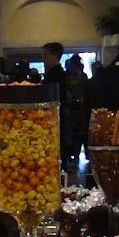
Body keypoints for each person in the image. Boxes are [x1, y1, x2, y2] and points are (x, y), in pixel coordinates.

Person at [42, 42, 72, 171]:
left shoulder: (56, 75)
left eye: (46, 55)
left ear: (55, 56)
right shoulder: (56, 73)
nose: (43, 58)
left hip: (54, 117)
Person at [65, 54, 89, 171]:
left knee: (78, 136)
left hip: (78, 113)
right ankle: (73, 158)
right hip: (71, 112)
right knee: (73, 136)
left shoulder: (83, 81)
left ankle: (75, 158)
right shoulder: (68, 80)